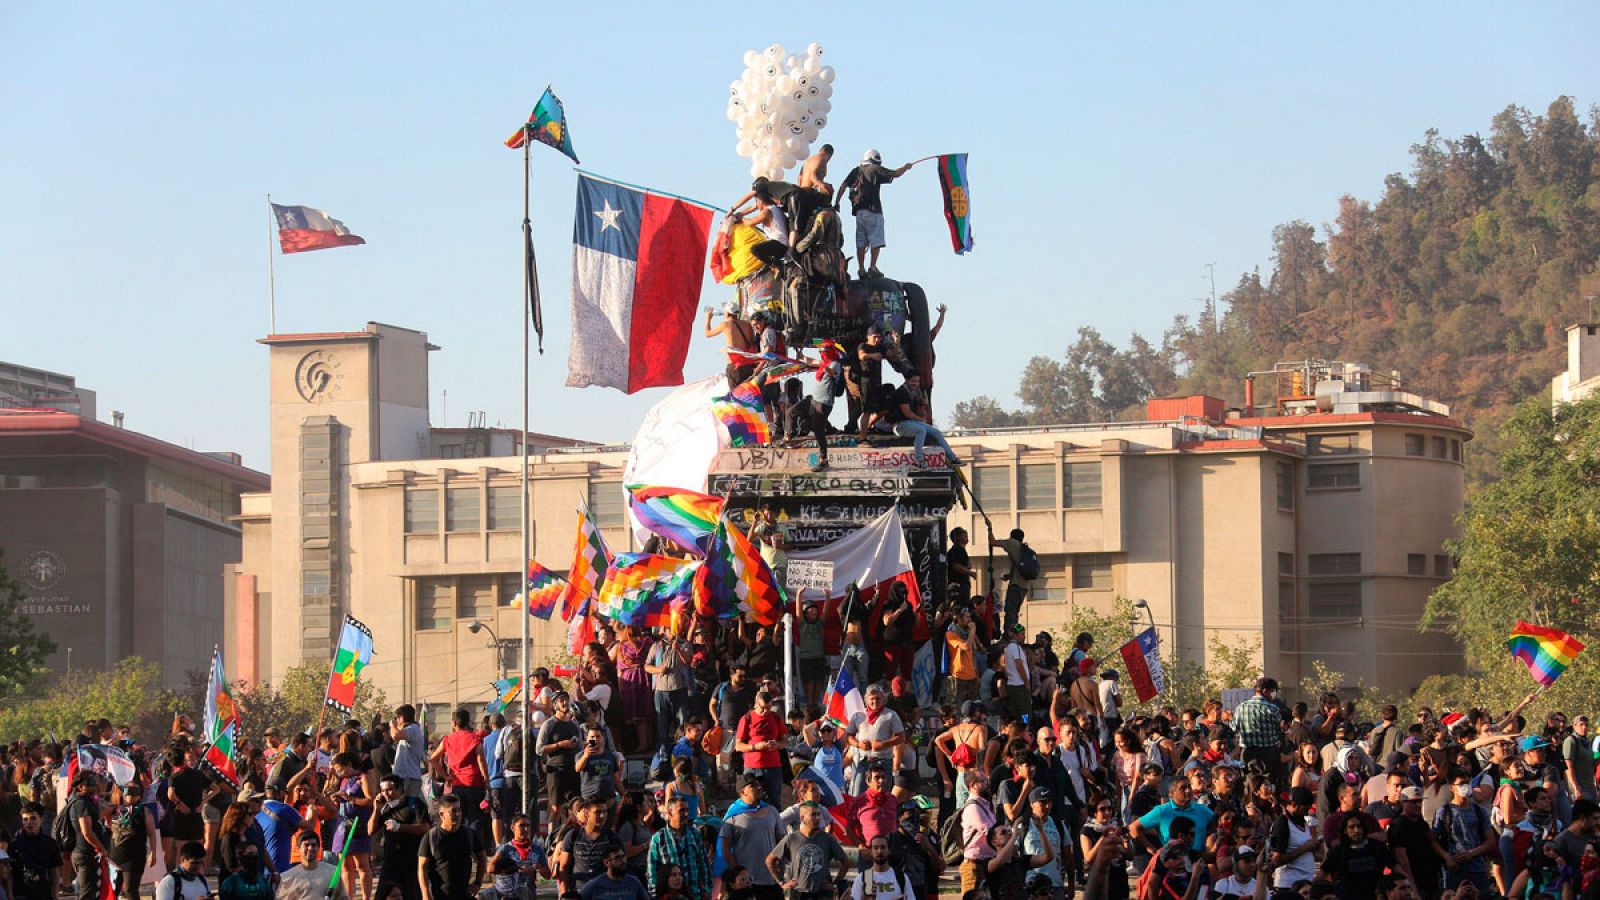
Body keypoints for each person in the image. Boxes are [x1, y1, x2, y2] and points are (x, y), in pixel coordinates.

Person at [834, 149, 913, 278]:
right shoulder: (875, 169)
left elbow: (843, 186)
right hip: (873, 210)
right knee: (875, 240)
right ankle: (872, 267)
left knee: (861, 242)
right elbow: (895, 174)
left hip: (859, 213)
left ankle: (861, 269)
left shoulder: (856, 170)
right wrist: (906, 167)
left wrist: (837, 202)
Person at [718, 775, 786, 900]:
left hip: (772, 880)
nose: (759, 787)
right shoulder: (732, 816)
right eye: (753, 786)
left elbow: (782, 843)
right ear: (742, 791)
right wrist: (738, 874)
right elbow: (725, 849)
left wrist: (781, 873)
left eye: (759, 784)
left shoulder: (771, 811)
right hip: (747, 886)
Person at [433, 710, 491, 848]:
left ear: (453, 723)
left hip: (457, 784)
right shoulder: (474, 738)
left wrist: (446, 776)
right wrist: (486, 779)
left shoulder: (448, 739)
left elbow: (433, 759)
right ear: (468, 721)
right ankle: (474, 849)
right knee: (475, 818)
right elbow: (481, 760)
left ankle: (460, 848)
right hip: (474, 783)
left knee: (458, 817)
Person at [766, 801, 847, 900]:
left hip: (822, 893)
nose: (817, 818)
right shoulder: (791, 838)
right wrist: (782, 882)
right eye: (813, 815)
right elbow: (770, 860)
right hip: (798, 893)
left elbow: (845, 862)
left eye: (818, 814)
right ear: (802, 817)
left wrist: (835, 883)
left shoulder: (828, 839)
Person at [1432, 771, 1493, 895]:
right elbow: (1433, 839)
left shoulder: (1480, 811)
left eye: (1467, 782)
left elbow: (1491, 841)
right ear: (1451, 787)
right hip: (1455, 870)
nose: (1465, 786)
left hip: (1478, 870)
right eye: (1461, 784)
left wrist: (1472, 853)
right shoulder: (1444, 812)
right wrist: (1447, 857)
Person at [372, 773, 432, 900]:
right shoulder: (385, 808)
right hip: (389, 864)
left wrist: (400, 827)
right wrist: (376, 809)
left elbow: (425, 828)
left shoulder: (414, 804)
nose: (386, 794)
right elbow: (370, 830)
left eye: (389, 789)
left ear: (400, 789)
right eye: (382, 790)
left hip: (410, 864)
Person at [420, 795, 488, 900]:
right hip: (439, 895)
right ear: (441, 814)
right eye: (453, 811)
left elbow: (482, 858)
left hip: (464, 895)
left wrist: (477, 883)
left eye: (459, 810)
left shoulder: (469, 834)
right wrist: (425, 893)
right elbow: (422, 867)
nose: (458, 814)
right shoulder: (431, 837)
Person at [646, 796, 709, 900]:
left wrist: (707, 889)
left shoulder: (695, 834)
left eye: (687, 810)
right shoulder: (658, 838)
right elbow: (652, 871)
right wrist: (655, 895)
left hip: (695, 894)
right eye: (681, 810)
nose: (686, 814)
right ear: (670, 813)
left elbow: (704, 864)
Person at [847, 686, 905, 796]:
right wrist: (858, 744)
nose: (874, 701)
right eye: (872, 698)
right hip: (863, 762)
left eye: (878, 698)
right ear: (866, 700)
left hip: (883, 762)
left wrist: (883, 744)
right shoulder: (858, 715)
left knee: (882, 797)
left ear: (883, 699)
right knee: (857, 796)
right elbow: (849, 736)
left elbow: (901, 737)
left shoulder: (891, 715)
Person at [107, 773, 158, 899]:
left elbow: (152, 833)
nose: (130, 794)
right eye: (127, 790)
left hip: (134, 857)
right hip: (115, 855)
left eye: (134, 791)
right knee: (112, 890)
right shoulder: (113, 809)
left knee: (130, 889)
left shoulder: (144, 811)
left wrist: (153, 852)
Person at [1320, 815, 1394, 899]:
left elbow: (1395, 867)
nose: (1356, 830)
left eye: (1359, 826)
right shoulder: (1338, 851)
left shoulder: (1377, 847)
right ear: (1345, 830)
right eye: (1352, 827)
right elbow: (1322, 873)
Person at [804, 341, 845, 472]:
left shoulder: (835, 364)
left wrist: (823, 365)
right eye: (820, 351)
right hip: (814, 399)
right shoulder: (824, 363)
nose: (822, 353)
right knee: (794, 413)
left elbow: (832, 372)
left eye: (824, 351)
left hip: (824, 402)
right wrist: (800, 355)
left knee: (818, 429)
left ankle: (824, 460)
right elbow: (810, 361)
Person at [888, 803, 942, 900]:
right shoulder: (890, 839)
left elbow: (939, 868)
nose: (915, 817)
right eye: (911, 813)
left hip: (920, 893)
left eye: (917, 814)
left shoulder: (924, 839)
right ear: (900, 818)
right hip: (896, 892)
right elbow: (874, 868)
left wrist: (928, 847)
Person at [988, 529, 1035, 635]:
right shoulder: (1024, 549)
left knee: (1010, 612)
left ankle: (1009, 634)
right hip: (1024, 587)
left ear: (1012, 536)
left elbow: (993, 542)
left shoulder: (1012, 543)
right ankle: (1018, 631)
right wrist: (1009, 576)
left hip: (1016, 586)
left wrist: (990, 528)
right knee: (1015, 613)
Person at [10, 803, 58, 900]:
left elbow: (54, 871)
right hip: (21, 893)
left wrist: (55, 894)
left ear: (41, 818)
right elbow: (9, 872)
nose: (29, 823)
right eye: (25, 819)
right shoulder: (14, 844)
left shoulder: (49, 843)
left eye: (33, 818)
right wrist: (10, 895)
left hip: (43, 891)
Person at [279, 831, 346, 900]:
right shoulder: (286, 878)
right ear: (298, 849)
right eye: (306, 845)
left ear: (319, 848)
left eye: (313, 845)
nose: (310, 848)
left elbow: (343, 897)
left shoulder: (333, 872)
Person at [578, 847, 649, 900]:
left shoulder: (634, 881)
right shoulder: (595, 884)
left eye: (623, 856)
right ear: (606, 862)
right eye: (617, 858)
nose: (623, 860)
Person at [392, 706, 428, 799]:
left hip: (408, 777)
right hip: (407, 776)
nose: (396, 720)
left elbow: (395, 735)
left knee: (408, 806)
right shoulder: (412, 729)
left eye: (397, 718)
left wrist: (392, 725)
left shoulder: (412, 729)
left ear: (402, 718)